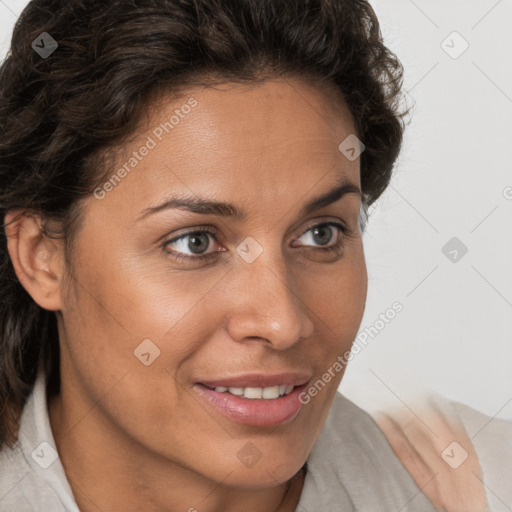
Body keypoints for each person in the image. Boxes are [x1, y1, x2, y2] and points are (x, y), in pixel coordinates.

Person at [0, 1, 510, 511]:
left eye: (321, 234)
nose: (282, 322)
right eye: (194, 242)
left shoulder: (484, 484)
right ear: (42, 257)